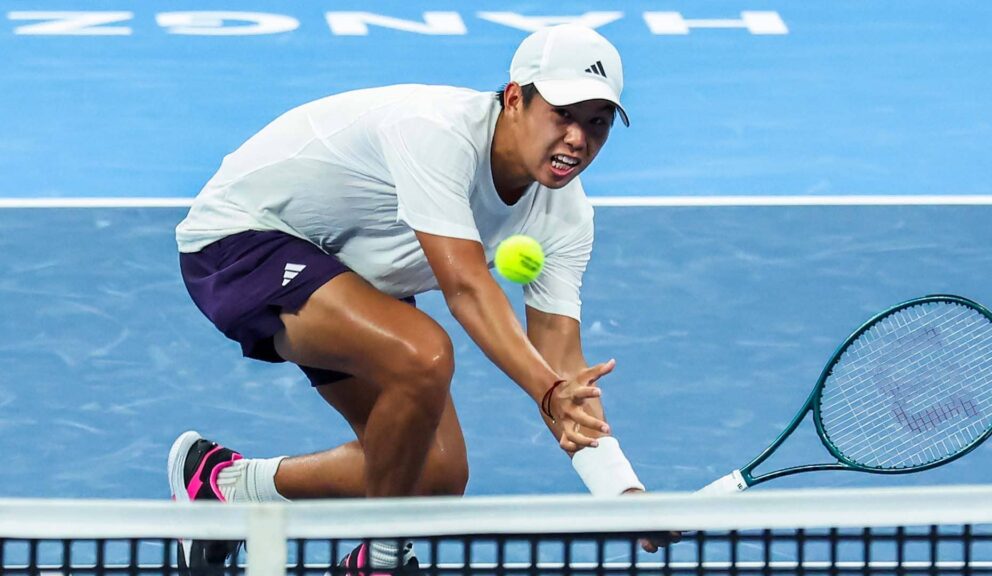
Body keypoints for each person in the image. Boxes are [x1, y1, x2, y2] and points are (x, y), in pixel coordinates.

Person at [170, 24, 665, 576]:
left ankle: (223, 485)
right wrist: (547, 391)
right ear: (514, 99)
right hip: (243, 239)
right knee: (423, 353)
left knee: (434, 477)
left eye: (597, 122)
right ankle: (380, 558)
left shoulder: (566, 217)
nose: (578, 138)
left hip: (351, 272)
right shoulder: (438, 133)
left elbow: (563, 364)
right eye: (563, 114)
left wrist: (621, 492)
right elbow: (466, 288)